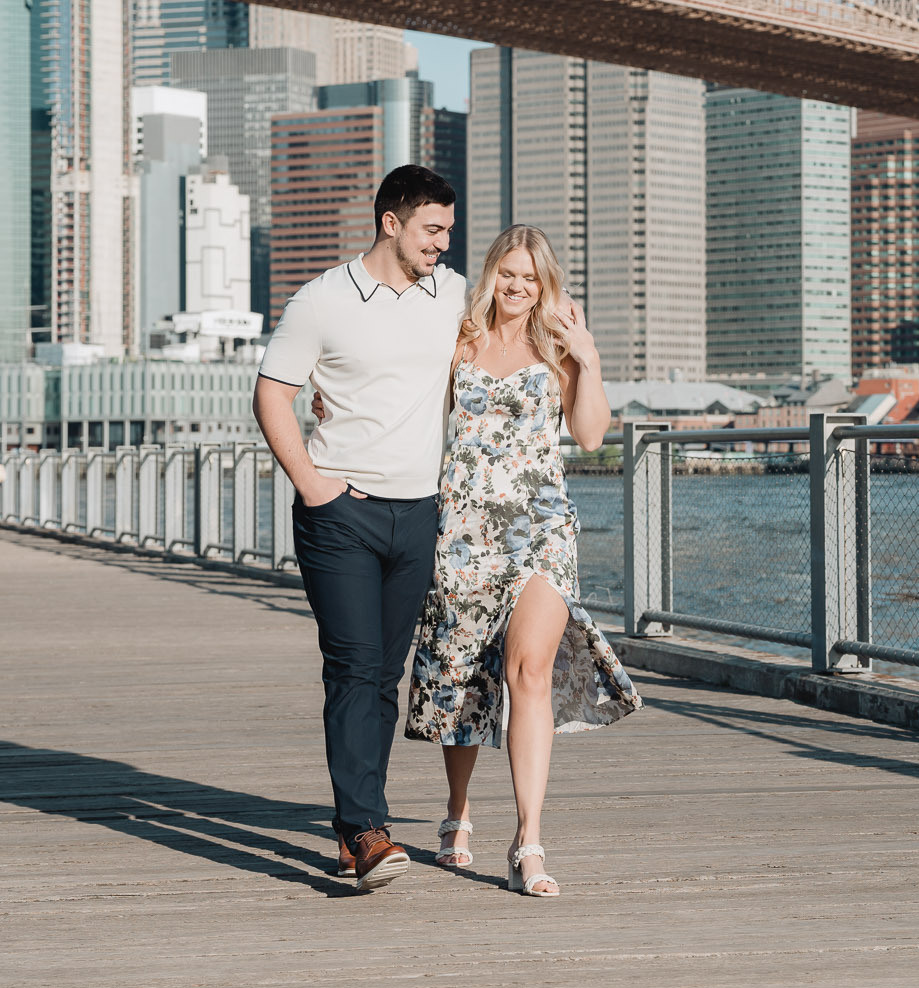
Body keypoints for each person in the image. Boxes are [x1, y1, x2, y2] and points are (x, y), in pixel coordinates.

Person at [403, 225, 640, 898]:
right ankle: (458, 811)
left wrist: (589, 356)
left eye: (530, 277)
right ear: (490, 275)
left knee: (527, 669)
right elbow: (413, 412)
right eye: (508, 273)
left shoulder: (557, 350)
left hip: (540, 528)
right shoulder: (459, 344)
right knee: (465, 677)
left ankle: (528, 838)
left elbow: (591, 434)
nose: (517, 286)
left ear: (545, 285)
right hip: (464, 530)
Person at [254, 164, 462, 893]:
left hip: (421, 511)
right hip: (342, 512)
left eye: (448, 230)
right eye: (432, 229)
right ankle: (369, 829)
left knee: (384, 676)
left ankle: (353, 825)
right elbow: (273, 394)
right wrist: (312, 484)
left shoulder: (456, 294)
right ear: (391, 222)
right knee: (352, 664)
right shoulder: (322, 300)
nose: (442, 243)